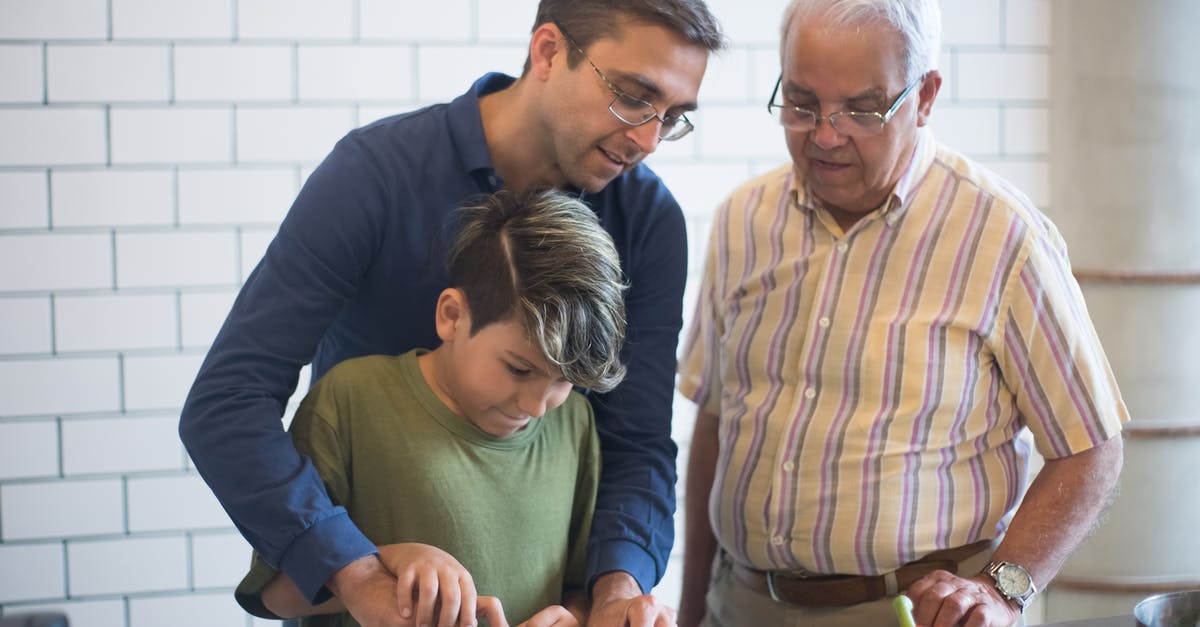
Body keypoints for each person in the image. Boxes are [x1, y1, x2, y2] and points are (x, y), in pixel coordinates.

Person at [177, 1, 725, 625]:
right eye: (632, 96)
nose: (649, 139)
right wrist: (356, 572)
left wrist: (614, 594)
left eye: (675, 118)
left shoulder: (649, 224)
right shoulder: (375, 175)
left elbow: (636, 443)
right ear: (548, 51)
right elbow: (228, 401)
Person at [676, 1, 1128, 626]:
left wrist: (1003, 589)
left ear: (925, 97)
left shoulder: (1002, 236)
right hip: (743, 604)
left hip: (911, 613)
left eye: (862, 109)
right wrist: (693, 606)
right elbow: (716, 424)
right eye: (802, 103)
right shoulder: (742, 221)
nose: (827, 133)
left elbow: (1090, 448)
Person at [234, 189, 626, 627]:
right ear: (452, 316)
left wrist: (571, 617)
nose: (538, 406)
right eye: (519, 369)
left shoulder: (574, 422)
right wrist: (382, 563)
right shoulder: (350, 400)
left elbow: (578, 588)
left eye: (563, 379)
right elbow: (272, 595)